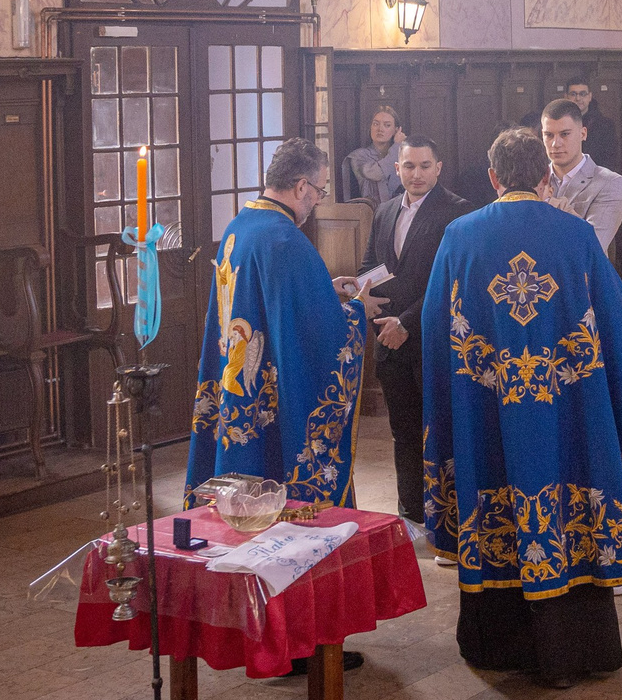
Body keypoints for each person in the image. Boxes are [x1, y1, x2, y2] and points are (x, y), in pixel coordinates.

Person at [421, 128, 622, 688]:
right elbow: (617, 325)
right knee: (572, 494)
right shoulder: (576, 236)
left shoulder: (460, 236)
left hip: (487, 412)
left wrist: (448, 406)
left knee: (491, 494)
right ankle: (576, 648)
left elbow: (432, 330)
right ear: (546, 177)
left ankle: (495, 646)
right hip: (567, 411)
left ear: (493, 177)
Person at [188, 139, 367, 514]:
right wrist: (355, 309)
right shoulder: (285, 239)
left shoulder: (242, 225)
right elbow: (322, 334)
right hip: (265, 386)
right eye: (319, 191)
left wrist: (323, 288)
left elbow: (266, 301)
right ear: (301, 186)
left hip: (237, 376)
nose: (318, 199)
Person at [353, 137, 467, 533]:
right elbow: (372, 266)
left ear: (439, 167)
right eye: (408, 167)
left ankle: (448, 518)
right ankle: (412, 512)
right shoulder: (384, 210)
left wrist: (406, 322)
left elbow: (448, 282)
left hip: (431, 342)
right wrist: (373, 313)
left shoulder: (457, 212)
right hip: (389, 341)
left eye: (423, 166)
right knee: (402, 431)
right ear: (397, 169)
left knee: (440, 431)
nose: (415, 174)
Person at [542, 97, 622, 253]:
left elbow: (592, 246)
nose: (556, 143)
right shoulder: (533, 180)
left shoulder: (610, 183)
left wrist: (548, 202)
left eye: (565, 134)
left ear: (583, 133)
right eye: (549, 135)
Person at [342, 106, 407, 206]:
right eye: (376, 124)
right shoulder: (358, 156)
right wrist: (397, 146)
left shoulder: (404, 157)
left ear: (396, 130)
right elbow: (376, 173)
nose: (380, 129)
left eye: (387, 125)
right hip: (369, 215)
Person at [564, 78, 619, 172]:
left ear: (589, 96)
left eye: (582, 94)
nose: (578, 98)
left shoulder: (605, 125)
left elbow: (610, 158)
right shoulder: (559, 123)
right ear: (566, 97)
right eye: (573, 94)